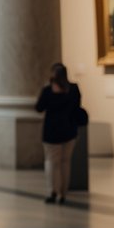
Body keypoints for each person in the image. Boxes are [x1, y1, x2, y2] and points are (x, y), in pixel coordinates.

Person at [36, 62, 83, 205]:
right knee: (65, 162)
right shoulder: (73, 89)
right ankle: (63, 193)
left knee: (51, 162)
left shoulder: (48, 91)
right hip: (69, 130)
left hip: (52, 132)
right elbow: (77, 106)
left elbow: (39, 108)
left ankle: (52, 191)